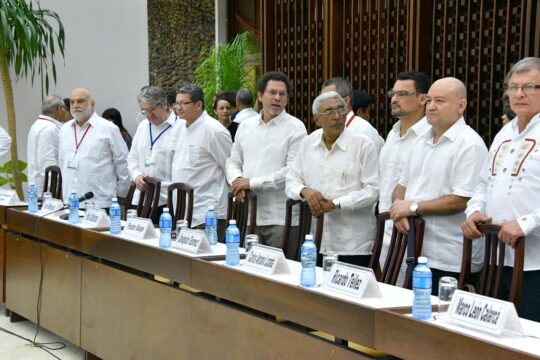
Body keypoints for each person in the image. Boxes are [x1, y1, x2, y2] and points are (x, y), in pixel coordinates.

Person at [390, 77, 487, 292]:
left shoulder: (469, 144)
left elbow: (463, 199)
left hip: (450, 256)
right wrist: (399, 208)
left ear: (461, 106)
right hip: (415, 249)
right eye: (430, 100)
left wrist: (413, 207)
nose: (431, 106)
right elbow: (402, 185)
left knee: (438, 321)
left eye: (440, 101)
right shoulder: (420, 139)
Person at [462, 57, 540, 322]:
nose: (519, 94)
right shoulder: (504, 133)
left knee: (530, 339)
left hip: (535, 262)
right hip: (497, 256)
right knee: (495, 336)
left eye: (529, 87)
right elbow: (484, 183)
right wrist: (473, 211)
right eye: (513, 87)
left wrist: (526, 223)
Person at [285, 91, 379, 266]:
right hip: (315, 241)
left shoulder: (363, 144)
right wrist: (304, 191)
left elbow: (372, 191)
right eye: (328, 112)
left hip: (353, 244)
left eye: (340, 110)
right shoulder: (308, 143)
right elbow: (291, 180)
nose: (336, 116)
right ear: (316, 119)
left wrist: (336, 203)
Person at [226, 71, 307, 247]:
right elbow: (233, 161)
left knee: (279, 272)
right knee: (248, 270)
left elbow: (291, 172)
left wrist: (250, 183)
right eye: (272, 92)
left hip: (280, 216)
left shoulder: (296, 128)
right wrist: (237, 180)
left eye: (282, 94)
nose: (277, 98)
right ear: (260, 95)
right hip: (247, 212)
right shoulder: (246, 126)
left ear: (287, 99)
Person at [378, 71, 431, 280]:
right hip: (385, 231)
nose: (394, 99)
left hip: (412, 233)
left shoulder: (429, 135)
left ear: (422, 99)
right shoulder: (392, 132)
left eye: (402, 93)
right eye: (393, 93)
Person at [172, 84, 232, 239]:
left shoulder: (213, 130)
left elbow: (230, 166)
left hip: (207, 211)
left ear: (198, 105)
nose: (178, 107)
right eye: (177, 103)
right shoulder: (180, 127)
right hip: (185, 209)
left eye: (184, 103)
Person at [58, 88, 130, 209]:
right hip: (70, 201)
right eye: (72, 102)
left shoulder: (108, 128)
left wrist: (120, 194)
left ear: (92, 104)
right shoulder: (64, 129)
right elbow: (61, 161)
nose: (75, 105)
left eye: (80, 101)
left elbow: (123, 162)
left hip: (99, 202)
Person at [128, 86, 181, 222]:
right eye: (144, 110)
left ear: (164, 105)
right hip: (142, 197)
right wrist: (136, 176)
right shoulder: (143, 126)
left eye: (152, 110)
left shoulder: (180, 127)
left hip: (168, 200)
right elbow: (132, 158)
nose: (149, 114)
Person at [321, 77, 384, 152]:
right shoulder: (323, 131)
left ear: (346, 101)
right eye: (321, 99)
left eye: (328, 98)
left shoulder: (363, 131)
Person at [27, 95, 71, 195]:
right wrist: (55, 191)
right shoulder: (49, 129)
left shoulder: (38, 125)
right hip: (47, 191)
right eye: (66, 109)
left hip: (38, 188)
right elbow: (48, 163)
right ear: (59, 109)